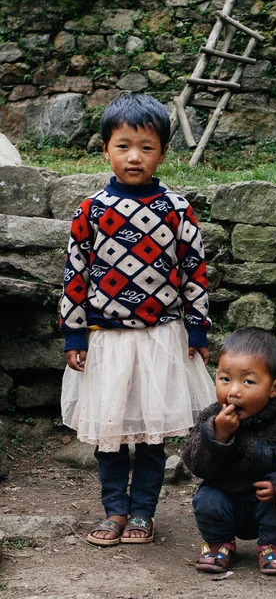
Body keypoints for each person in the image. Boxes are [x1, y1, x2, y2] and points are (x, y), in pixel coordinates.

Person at [59, 93, 215, 547]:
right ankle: (115, 511)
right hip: (105, 339)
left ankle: (144, 513)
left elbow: (194, 272)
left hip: (161, 338)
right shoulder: (90, 210)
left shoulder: (177, 209)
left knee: (151, 435)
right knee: (110, 433)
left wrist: (197, 327)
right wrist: (74, 333)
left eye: (146, 147)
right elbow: (76, 273)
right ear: (105, 149)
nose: (134, 156)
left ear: (163, 153)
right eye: (124, 145)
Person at [182, 327, 276, 576]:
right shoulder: (212, 417)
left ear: (275, 387)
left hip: (269, 501)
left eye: (248, 381)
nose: (233, 391)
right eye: (225, 379)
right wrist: (217, 435)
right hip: (226, 498)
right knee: (207, 500)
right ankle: (219, 544)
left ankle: (274, 546)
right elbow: (193, 461)